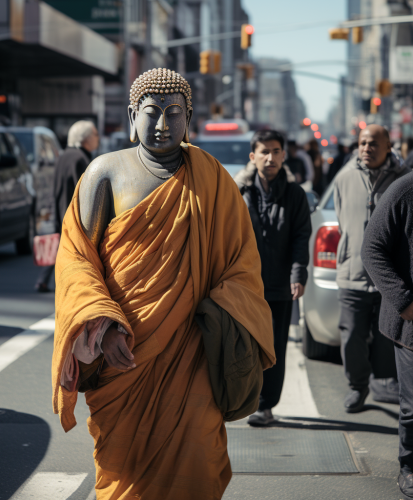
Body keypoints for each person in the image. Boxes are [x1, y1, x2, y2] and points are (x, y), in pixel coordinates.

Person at [51, 68, 275, 499]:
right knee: (125, 465)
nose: (161, 125)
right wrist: (103, 327)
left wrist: (219, 311)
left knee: (197, 455)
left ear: (188, 118)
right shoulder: (105, 173)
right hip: (124, 354)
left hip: (192, 354)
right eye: (151, 112)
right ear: (132, 113)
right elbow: (77, 260)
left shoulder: (212, 180)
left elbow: (241, 265)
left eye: (174, 113)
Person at [234, 130, 312, 426]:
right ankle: (244, 399)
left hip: (279, 284)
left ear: (284, 155)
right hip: (244, 284)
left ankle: (266, 405)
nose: (270, 157)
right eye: (264, 151)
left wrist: (297, 273)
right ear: (253, 157)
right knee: (244, 345)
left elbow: (301, 236)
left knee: (275, 347)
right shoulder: (238, 191)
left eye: (276, 151)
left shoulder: (295, 194)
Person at [333, 124, 410, 413]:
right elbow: (342, 219)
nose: (367, 148)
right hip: (352, 274)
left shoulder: (402, 181)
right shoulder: (344, 177)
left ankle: (385, 383)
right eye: (363, 143)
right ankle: (357, 386)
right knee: (351, 336)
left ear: (389, 146)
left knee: (385, 339)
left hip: (389, 280)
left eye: (374, 143)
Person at [362, 171, 413, 500]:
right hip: (411, 322)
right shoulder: (403, 190)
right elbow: (372, 250)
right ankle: (409, 467)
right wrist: (405, 303)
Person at [35, 121, 99, 292]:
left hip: (60, 209)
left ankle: (45, 280)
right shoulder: (81, 159)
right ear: (85, 138)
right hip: (74, 214)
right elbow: (86, 192)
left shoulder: (64, 156)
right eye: (95, 134)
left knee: (63, 248)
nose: (98, 138)